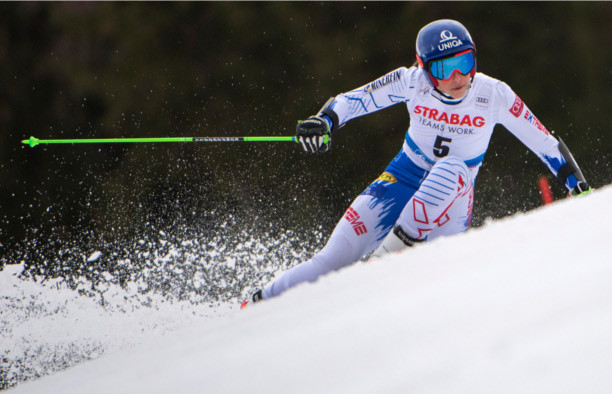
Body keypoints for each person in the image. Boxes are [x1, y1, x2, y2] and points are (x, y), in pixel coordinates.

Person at [242, 19, 590, 307]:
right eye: (444, 67)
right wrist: (324, 121)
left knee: (452, 167)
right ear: (424, 68)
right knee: (333, 258)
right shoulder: (412, 82)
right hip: (402, 178)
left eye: (465, 62)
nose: (458, 77)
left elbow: (543, 140)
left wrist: (576, 185)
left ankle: (378, 267)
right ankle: (257, 304)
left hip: (452, 200)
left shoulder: (492, 94)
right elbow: (354, 100)